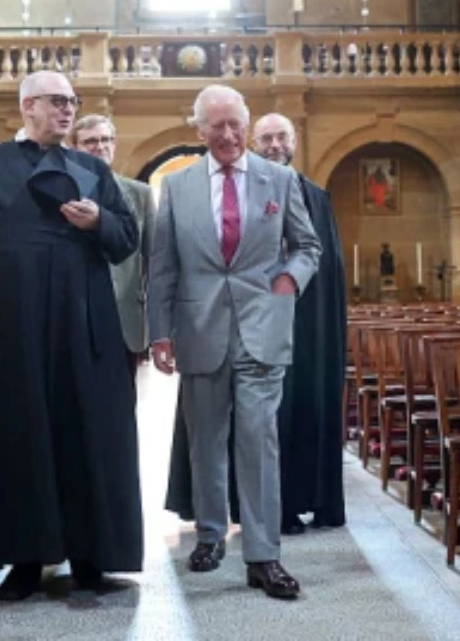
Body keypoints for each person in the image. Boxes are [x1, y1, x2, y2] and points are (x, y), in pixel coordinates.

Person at [0, 70, 142, 601]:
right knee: (16, 436)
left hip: (81, 325)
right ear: (27, 106)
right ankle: (23, 560)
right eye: (57, 102)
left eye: (72, 102)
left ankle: (92, 558)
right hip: (4, 326)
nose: (68, 110)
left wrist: (97, 225)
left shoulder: (91, 169)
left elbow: (126, 238)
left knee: (86, 431)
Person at [149, 86, 321, 600]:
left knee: (258, 441)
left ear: (245, 126)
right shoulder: (176, 188)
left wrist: (290, 280)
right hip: (199, 331)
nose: (226, 136)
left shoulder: (280, 179)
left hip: (262, 328)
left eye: (233, 125)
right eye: (215, 126)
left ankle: (264, 555)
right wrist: (159, 331)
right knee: (205, 441)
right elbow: (163, 266)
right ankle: (208, 534)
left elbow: (307, 245)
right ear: (198, 129)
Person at [165, 113, 349, 533]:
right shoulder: (232, 186)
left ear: (295, 140)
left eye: (281, 136)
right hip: (240, 321)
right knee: (234, 422)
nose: (274, 145)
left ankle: (308, 498)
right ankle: (240, 509)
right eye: (265, 138)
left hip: (303, 324)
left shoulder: (315, 197)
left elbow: (325, 263)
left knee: (298, 409)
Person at [71, 113, 154, 369]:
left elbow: (155, 258)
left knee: (124, 402)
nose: (100, 146)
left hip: (124, 317)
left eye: (106, 140)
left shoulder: (140, 194)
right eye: (90, 141)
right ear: (74, 148)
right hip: (74, 317)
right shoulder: (63, 192)